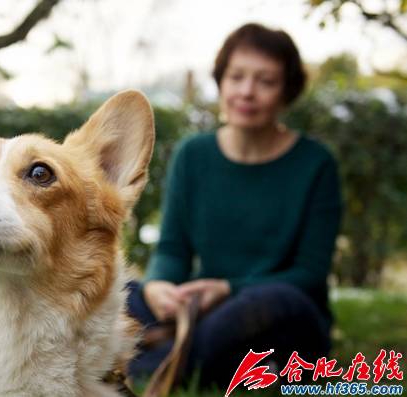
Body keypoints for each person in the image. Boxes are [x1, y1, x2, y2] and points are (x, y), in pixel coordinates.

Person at [127, 23, 342, 388]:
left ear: (286, 90)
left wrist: (228, 289)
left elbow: (309, 273)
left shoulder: (315, 164)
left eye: (265, 81)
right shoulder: (192, 156)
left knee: (272, 302)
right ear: (221, 81)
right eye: (236, 76)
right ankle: (209, 363)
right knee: (121, 291)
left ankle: (155, 360)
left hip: (276, 312)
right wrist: (159, 286)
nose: (246, 92)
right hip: (202, 306)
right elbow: (173, 247)